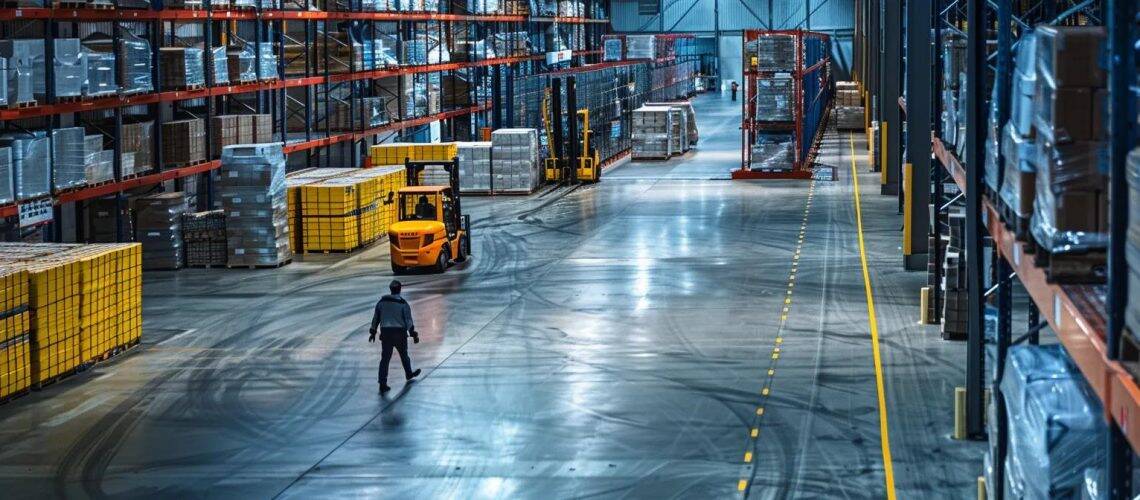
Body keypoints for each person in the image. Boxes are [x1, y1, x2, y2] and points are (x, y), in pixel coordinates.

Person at [369, 280, 421, 393]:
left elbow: (376, 318)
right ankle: (408, 373)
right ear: (400, 289)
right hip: (399, 334)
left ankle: (382, 383)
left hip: (386, 334)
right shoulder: (403, 304)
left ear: (390, 289)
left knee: (385, 359)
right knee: (404, 355)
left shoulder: (381, 303)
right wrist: (413, 333)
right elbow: (408, 320)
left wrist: (373, 332)